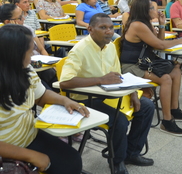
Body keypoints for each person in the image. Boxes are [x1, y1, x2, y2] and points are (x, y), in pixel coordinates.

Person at [0, 24, 88, 174]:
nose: (32, 56)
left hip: (25, 135)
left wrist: (65, 101)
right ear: (15, 54)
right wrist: (32, 156)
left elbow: (41, 96)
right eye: (30, 52)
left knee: (71, 163)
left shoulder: (24, 69)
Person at [60, 13, 155, 174]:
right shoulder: (80, 50)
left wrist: (132, 93)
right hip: (86, 98)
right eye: (103, 28)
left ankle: (131, 153)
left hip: (109, 93)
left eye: (111, 28)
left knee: (147, 106)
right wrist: (100, 80)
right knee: (120, 120)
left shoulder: (110, 46)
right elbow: (65, 82)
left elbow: (118, 74)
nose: (109, 32)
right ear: (90, 29)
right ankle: (117, 162)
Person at [121, 0, 182, 137]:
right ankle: (166, 121)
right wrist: (178, 40)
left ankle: (174, 109)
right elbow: (159, 46)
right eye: (152, 8)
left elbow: (159, 41)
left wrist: (161, 24)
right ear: (144, 10)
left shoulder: (145, 23)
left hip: (144, 62)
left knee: (176, 70)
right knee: (165, 78)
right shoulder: (137, 25)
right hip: (133, 66)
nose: (156, 10)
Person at [0, 4, 57, 90]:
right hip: (23, 70)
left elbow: (41, 49)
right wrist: (15, 32)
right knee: (43, 86)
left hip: (36, 64)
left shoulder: (27, 29)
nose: (23, 19)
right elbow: (18, 59)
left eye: (23, 16)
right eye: (20, 18)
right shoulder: (4, 37)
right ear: (8, 22)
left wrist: (51, 63)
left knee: (54, 76)